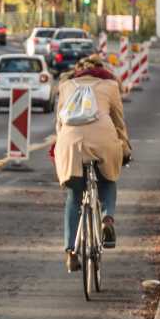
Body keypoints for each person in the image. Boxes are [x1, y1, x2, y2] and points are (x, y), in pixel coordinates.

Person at [53, 54, 132, 272]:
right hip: (103, 140)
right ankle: (107, 219)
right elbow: (118, 122)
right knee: (108, 179)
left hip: (71, 143)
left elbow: (60, 123)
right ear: (102, 69)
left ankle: (70, 251)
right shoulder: (110, 85)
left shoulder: (66, 85)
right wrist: (125, 148)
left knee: (74, 194)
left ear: (78, 71)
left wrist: (61, 147)